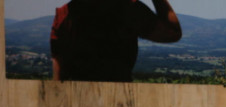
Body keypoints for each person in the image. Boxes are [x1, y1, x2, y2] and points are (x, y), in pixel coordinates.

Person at [50, 0, 182, 82]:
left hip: (78, 103)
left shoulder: (65, 15)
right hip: (120, 100)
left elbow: (58, 76)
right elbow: (172, 33)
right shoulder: (128, 10)